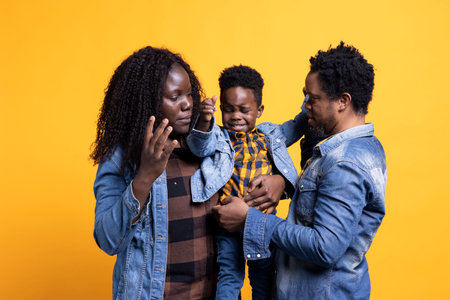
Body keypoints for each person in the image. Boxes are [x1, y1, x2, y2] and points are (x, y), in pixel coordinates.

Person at [213, 42, 387, 299]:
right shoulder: (343, 147)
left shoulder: (345, 163)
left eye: (313, 99)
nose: (305, 106)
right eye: (305, 96)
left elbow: (325, 247)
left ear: (343, 101)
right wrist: (281, 180)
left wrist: (249, 219)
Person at [91, 46, 222, 300]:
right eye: (174, 98)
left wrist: (279, 182)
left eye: (189, 94)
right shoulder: (122, 157)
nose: (187, 104)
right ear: (148, 103)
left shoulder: (207, 141)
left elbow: (254, 157)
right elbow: (107, 239)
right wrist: (146, 175)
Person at [187, 65, 310, 299]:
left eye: (244, 110)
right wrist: (204, 120)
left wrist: (309, 98)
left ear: (259, 109)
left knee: (263, 278)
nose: (236, 116)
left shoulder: (270, 136)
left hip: (262, 222)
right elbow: (198, 146)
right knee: (229, 276)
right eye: (228, 110)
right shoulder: (218, 137)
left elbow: (298, 124)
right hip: (228, 224)